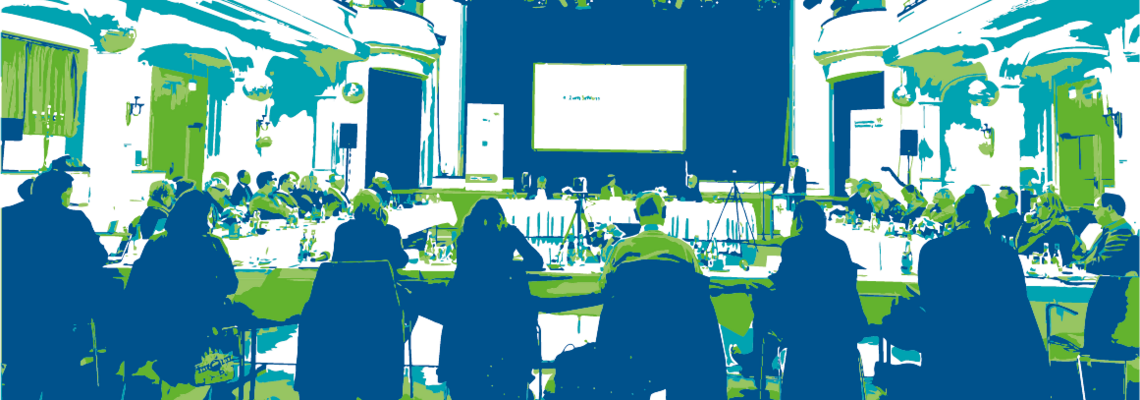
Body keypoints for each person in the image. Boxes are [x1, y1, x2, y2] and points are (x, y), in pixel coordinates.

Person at [917, 186, 1046, 399]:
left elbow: (930, 301)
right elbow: (1019, 308)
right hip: (993, 355)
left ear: (957, 216)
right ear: (986, 217)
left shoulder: (932, 250)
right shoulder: (1005, 254)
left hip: (945, 353)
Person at [593, 192, 725, 398]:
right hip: (676, 342)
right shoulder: (683, 249)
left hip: (628, 341)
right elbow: (698, 292)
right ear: (664, 213)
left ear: (636, 215)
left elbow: (604, 288)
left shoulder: (620, 249)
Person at [121, 190, 242, 397]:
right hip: (202, 323)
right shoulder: (213, 244)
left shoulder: (157, 243)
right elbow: (230, 285)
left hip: (162, 324)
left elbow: (136, 288)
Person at [2, 170, 108, 399]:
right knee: (59, 376)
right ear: (63, 193)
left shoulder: (7, 216)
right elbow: (98, 257)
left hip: (15, 308)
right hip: (59, 309)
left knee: (19, 374)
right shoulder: (74, 220)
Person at [296, 190, 408, 400]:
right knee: (410, 305)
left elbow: (339, 263)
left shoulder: (343, 231)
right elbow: (401, 261)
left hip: (346, 306)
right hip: (380, 307)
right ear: (378, 208)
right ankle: (388, 352)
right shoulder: (390, 232)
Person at [438, 198, 543, 399]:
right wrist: (511, 266)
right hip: (504, 316)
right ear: (500, 216)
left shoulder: (465, 237)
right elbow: (536, 261)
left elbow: (466, 270)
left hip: (467, 318)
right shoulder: (510, 233)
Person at [769, 200, 867, 400]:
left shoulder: (792, 246)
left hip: (804, 331)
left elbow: (786, 284)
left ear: (800, 221)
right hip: (838, 332)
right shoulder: (839, 246)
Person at [1079, 193, 1136, 364]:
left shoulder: (1121, 232)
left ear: (1109, 208)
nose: (1094, 212)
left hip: (1110, 318)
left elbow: (1103, 263)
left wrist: (1081, 264)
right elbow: (1090, 259)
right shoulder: (1108, 231)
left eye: (1097, 207)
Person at [1015, 192, 1077, 265]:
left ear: (1049, 208)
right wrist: (1025, 223)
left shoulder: (1062, 227)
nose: (1034, 209)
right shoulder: (1036, 224)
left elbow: (1066, 257)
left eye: (1037, 206)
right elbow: (1018, 247)